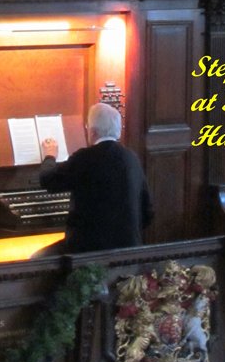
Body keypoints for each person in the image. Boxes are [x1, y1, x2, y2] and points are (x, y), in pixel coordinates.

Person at [39, 102, 154, 253]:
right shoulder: (132, 158)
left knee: (37, 258)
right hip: (129, 248)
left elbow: (47, 180)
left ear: (92, 131)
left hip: (87, 251)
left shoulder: (84, 158)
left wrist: (49, 155)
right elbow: (149, 212)